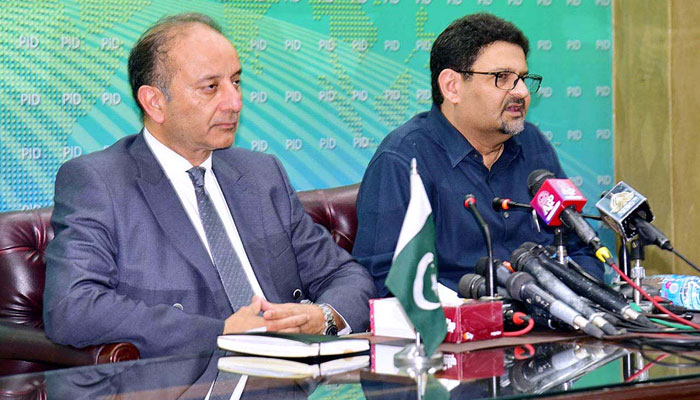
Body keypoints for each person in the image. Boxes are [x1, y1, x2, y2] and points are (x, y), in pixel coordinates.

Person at [43, 13, 375, 358]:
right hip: (183, 383)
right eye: (211, 87)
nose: (234, 102)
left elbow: (347, 276)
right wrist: (222, 332)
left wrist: (322, 317)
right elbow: (72, 307)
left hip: (292, 379)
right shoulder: (99, 182)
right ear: (155, 102)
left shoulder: (261, 174)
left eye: (236, 82)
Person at [353, 13, 603, 297]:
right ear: (452, 87)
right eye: (502, 78)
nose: (521, 91)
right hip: (457, 332)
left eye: (522, 78)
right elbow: (384, 282)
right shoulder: (403, 160)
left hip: (548, 322)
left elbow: (581, 248)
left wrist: (570, 297)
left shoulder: (532, 144)